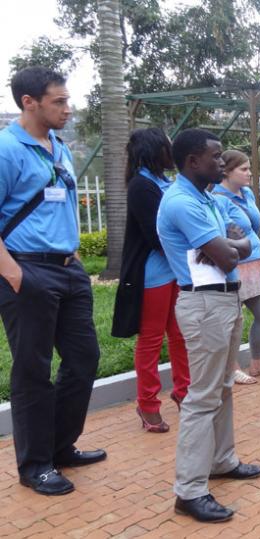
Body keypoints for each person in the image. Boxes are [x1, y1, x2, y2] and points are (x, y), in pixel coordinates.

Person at [0, 67, 105, 496]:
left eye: (67, 99)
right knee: (33, 371)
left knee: (84, 360)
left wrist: (73, 254)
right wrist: (13, 273)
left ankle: (61, 446)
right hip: (27, 270)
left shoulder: (57, 145)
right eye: (59, 101)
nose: (68, 107)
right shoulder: (7, 149)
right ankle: (35, 464)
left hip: (67, 268)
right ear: (29, 102)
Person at [157, 128, 260, 522]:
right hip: (204, 304)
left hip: (224, 298)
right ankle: (189, 491)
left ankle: (222, 460)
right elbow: (229, 253)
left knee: (223, 387)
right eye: (216, 157)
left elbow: (245, 241)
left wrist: (228, 246)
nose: (223, 162)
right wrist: (227, 246)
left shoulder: (205, 198)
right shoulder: (182, 201)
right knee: (202, 397)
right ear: (192, 161)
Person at [112, 128, 190, 433]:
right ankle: (147, 404)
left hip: (174, 272)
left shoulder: (165, 182)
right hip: (152, 276)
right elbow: (157, 235)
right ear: (154, 151)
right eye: (167, 148)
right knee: (152, 340)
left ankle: (184, 392)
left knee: (181, 335)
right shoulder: (141, 186)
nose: (172, 153)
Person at [212, 150, 260, 385]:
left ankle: (257, 362)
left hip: (254, 263)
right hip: (235, 266)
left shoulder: (247, 193)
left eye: (249, 168)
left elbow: (252, 226)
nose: (249, 173)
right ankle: (231, 368)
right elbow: (223, 235)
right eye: (243, 169)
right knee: (233, 318)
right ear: (227, 172)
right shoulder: (218, 199)